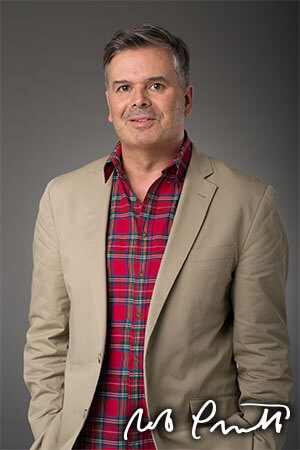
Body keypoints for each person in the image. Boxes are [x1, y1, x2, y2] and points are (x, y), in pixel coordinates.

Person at [23, 24, 293, 450]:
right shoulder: (62, 198)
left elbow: (265, 353)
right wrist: (50, 426)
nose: (139, 100)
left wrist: (258, 443)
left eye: (156, 85)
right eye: (124, 87)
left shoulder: (249, 201)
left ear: (186, 98)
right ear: (109, 105)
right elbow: (47, 335)